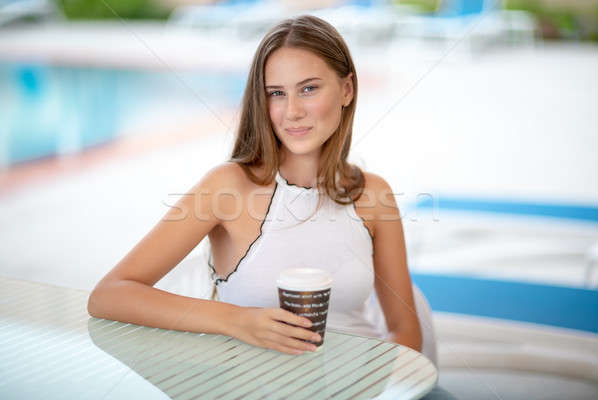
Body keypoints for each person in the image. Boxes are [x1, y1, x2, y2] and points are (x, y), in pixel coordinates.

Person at [88, 14, 455, 399]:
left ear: (347, 89)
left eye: (309, 89)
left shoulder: (374, 195)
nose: (292, 111)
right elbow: (110, 294)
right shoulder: (227, 187)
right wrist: (238, 321)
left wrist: (367, 389)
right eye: (276, 93)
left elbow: (405, 332)